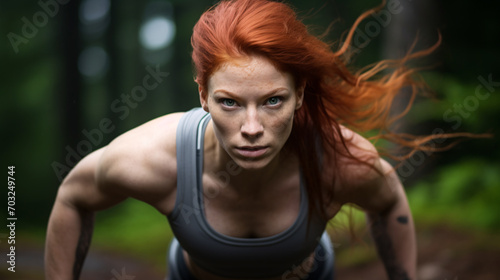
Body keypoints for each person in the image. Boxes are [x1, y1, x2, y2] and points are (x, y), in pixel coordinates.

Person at [46, 0, 440, 279]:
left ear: (299, 94)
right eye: (229, 103)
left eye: (273, 100)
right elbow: (73, 197)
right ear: (203, 96)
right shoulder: (153, 159)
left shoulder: (340, 159)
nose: (252, 127)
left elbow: (390, 204)